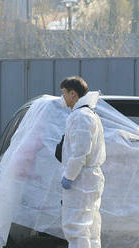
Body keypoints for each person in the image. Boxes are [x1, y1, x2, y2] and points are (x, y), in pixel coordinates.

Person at [59, 77, 106, 248]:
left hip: (81, 181)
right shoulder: (88, 114)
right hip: (89, 179)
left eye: (63, 93)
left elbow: (80, 152)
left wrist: (69, 176)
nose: (62, 97)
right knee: (90, 228)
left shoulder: (81, 116)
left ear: (73, 94)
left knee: (75, 227)